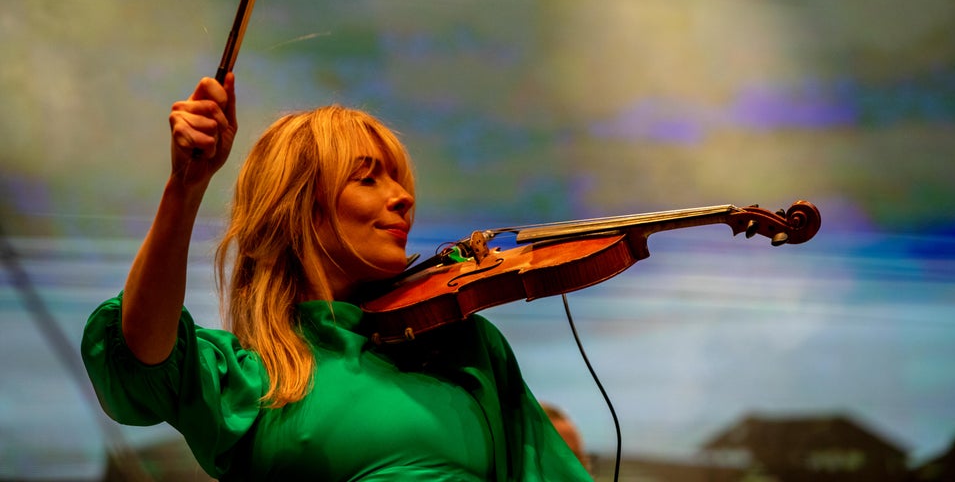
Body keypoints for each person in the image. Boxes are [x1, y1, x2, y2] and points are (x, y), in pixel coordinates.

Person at [81, 74, 593, 481]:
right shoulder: (246, 378)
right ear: (296, 212)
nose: (402, 196)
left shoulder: (464, 346)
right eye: (368, 178)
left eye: (398, 178)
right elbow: (141, 354)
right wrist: (185, 188)